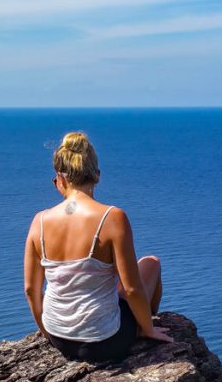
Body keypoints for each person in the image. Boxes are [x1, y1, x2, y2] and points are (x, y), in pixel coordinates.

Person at [23, 131, 173, 363]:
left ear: (60, 179)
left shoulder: (39, 222)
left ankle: (139, 324)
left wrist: (46, 333)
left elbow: (31, 290)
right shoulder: (112, 218)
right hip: (105, 341)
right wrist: (148, 329)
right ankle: (146, 326)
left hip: (58, 337)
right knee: (151, 263)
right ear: (97, 176)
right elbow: (132, 288)